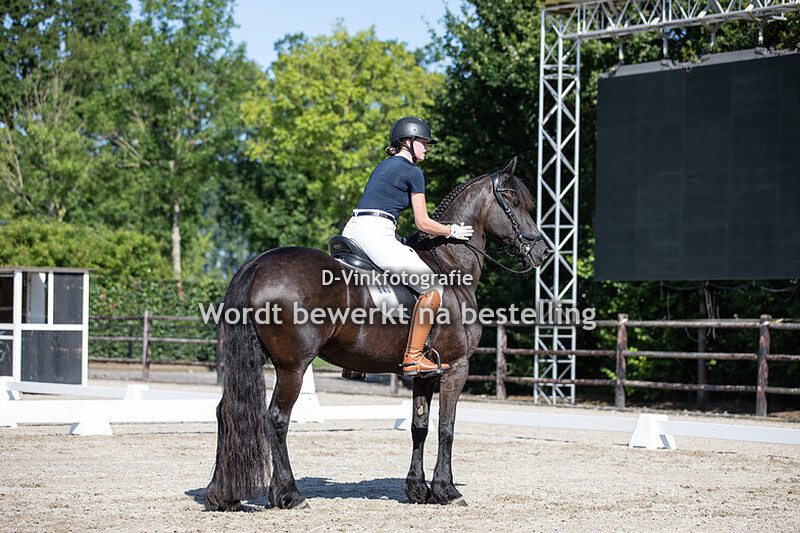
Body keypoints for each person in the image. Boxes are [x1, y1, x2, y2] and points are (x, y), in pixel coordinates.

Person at [342, 116, 474, 377]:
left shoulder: (384, 166)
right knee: (432, 287)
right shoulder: (413, 172)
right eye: (423, 142)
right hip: (375, 233)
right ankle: (414, 357)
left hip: (353, 229)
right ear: (408, 141)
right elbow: (423, 222)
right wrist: (452, 230)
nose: (427, 147)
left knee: (371, 286)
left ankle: (352, 361)